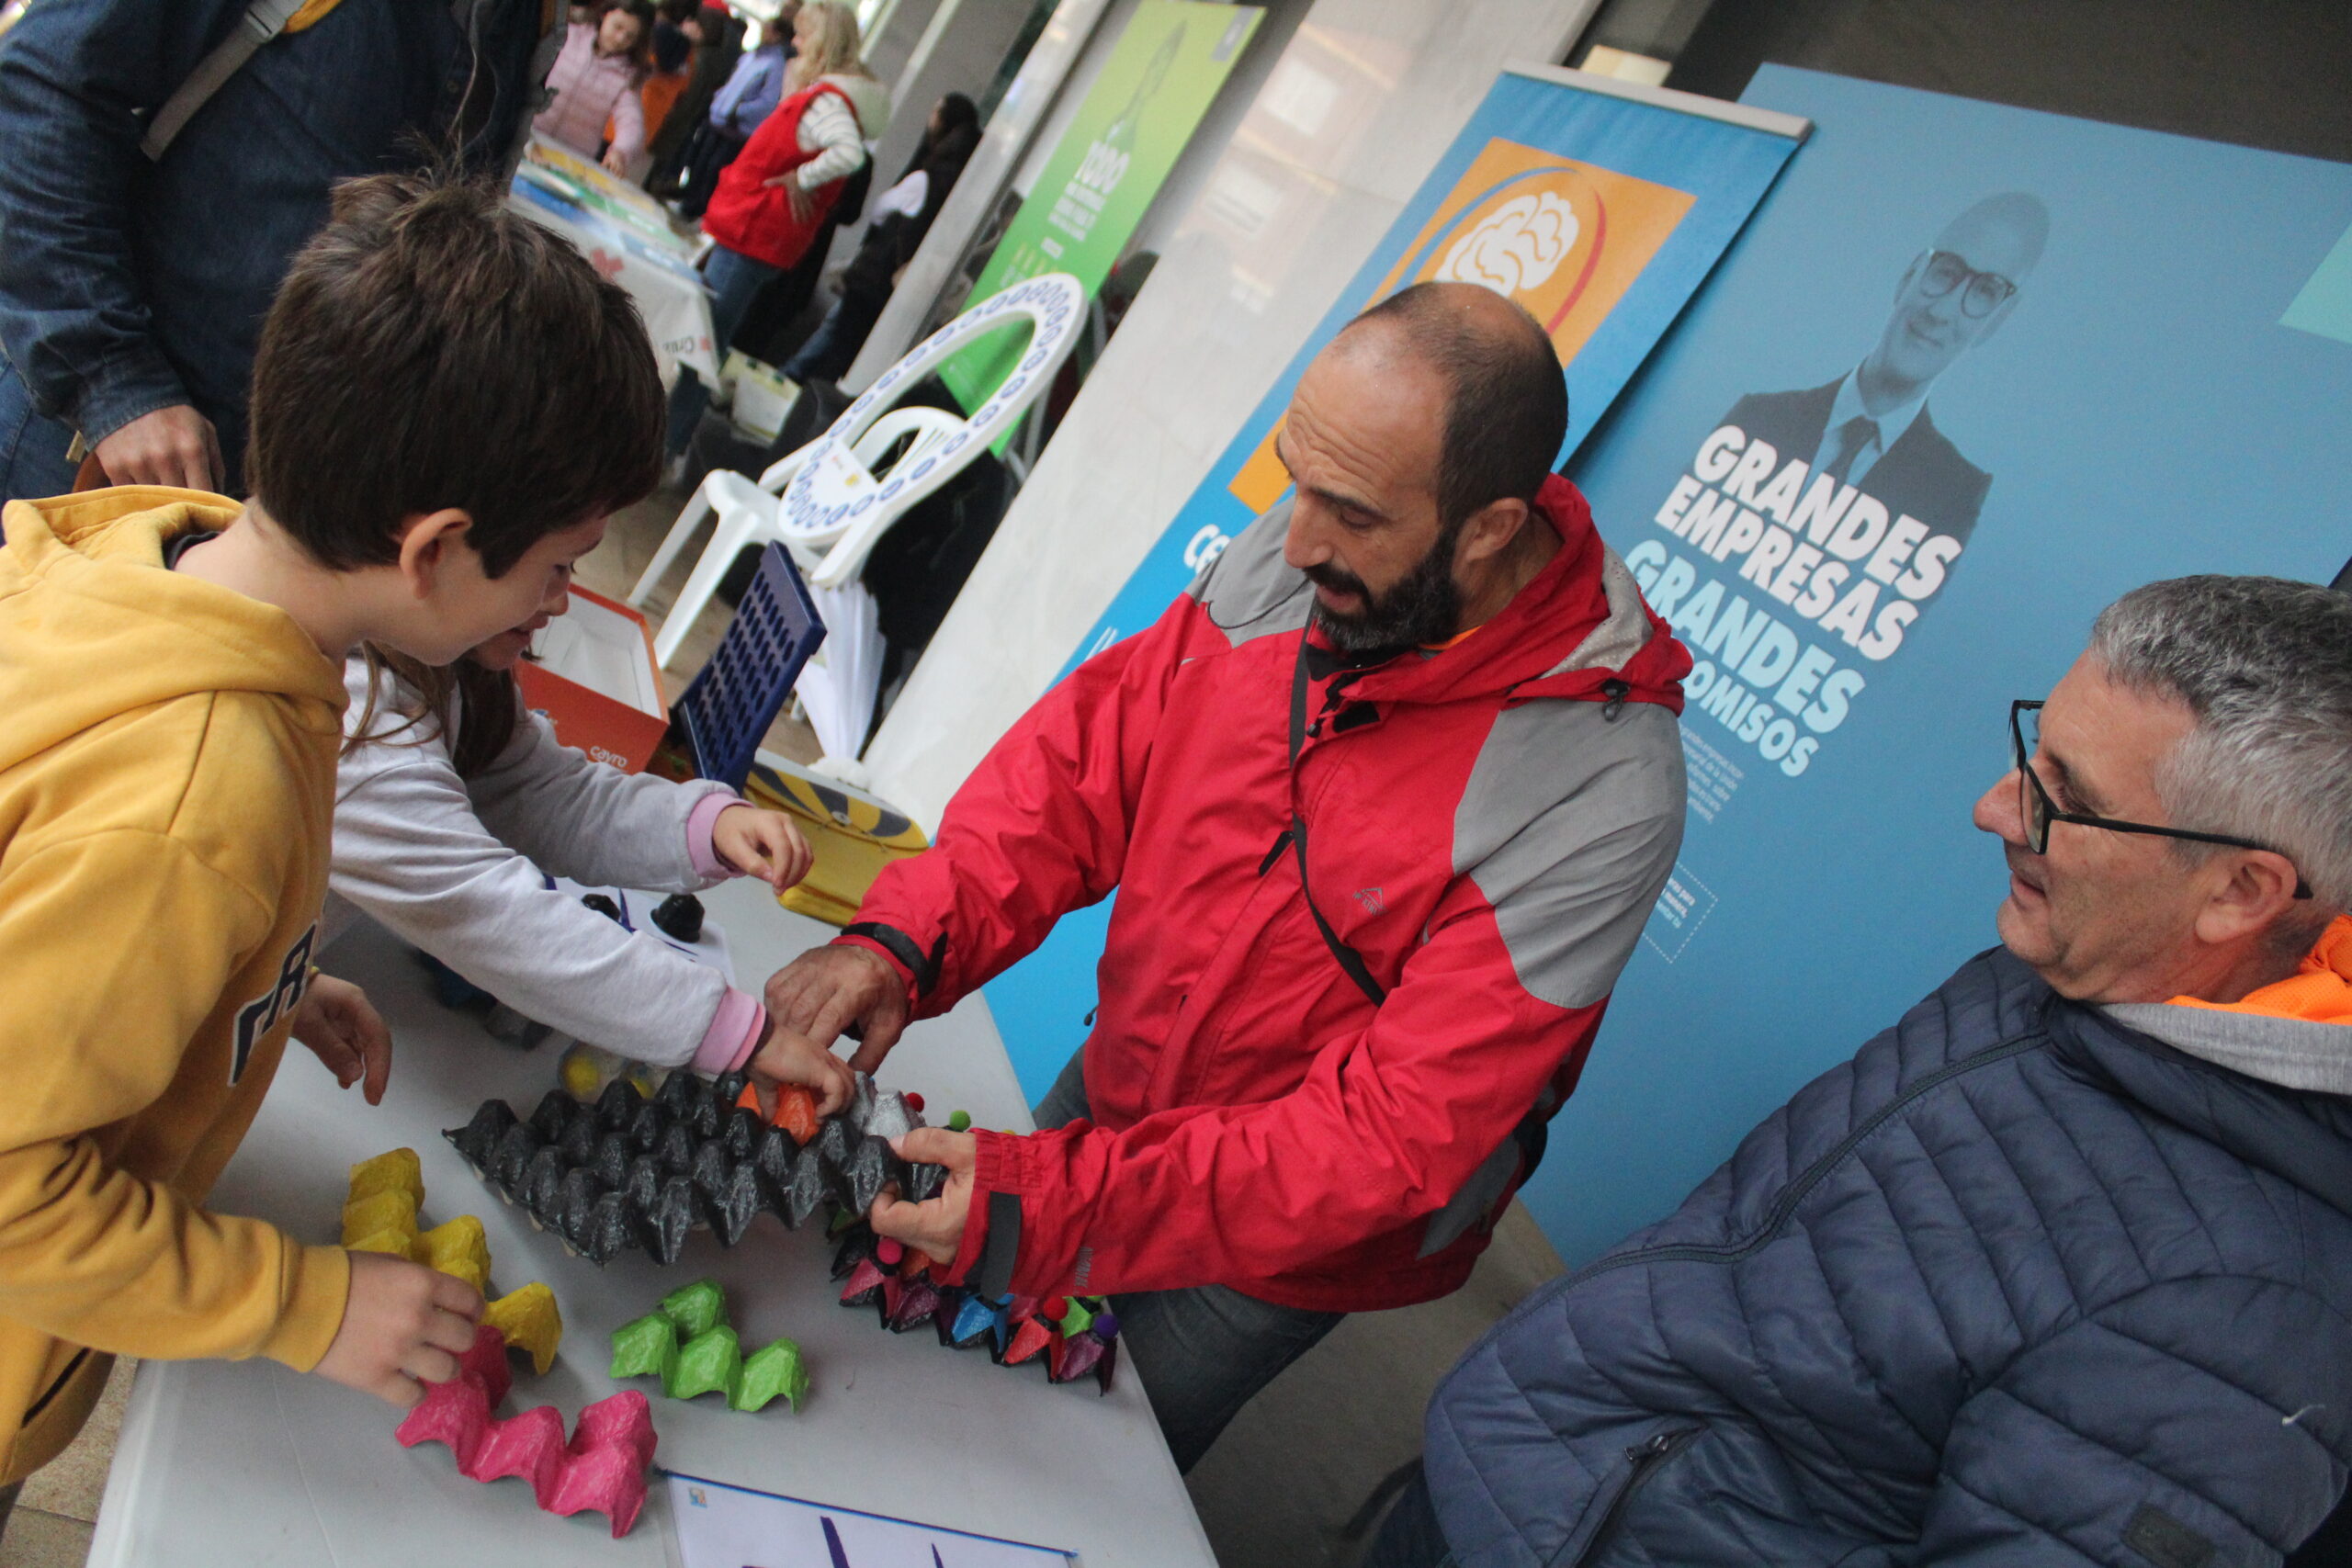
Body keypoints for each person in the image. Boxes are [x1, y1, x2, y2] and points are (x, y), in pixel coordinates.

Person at [762, 282, 1693, 1469]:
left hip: (1281, 1251)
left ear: (1489, 528)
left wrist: (1052, 1206)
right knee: (912, 1372)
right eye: (1295, 476)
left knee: (1082, 1473)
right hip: (1114, 1087)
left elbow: (1389, 1137)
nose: (1297, 541)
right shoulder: (1312, 542)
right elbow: (1085, 768)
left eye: (1349, 512)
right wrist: (900, 941)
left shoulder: (1604, 794)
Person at [1373, 574, 2352, 1567]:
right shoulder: (2083, 969)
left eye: (2069, 800)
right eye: (2033, 752)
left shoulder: (2241, 1328)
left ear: (2240, 891)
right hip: (1518, 1480)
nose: (1993, 810)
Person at [0, 171, 665, 1531]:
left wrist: (252, 986)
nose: (558, 606)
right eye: (555, 569)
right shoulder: (203, 798)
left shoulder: (148, 557)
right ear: (432, 551)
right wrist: (304, 1303)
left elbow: (53, 894)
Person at [0, 0, 554, 502]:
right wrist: (113, 384)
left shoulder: (528, 18)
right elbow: (47, 90)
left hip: (253, 491)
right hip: (87, 437)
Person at [327, 636, 850, 1100]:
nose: (559, 602)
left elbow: (539, 793)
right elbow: (496, 917)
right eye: (553, 566)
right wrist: (739, 1033)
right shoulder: (356, 731)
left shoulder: (455, 667)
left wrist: (702, 825)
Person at [1719, 191, 2051, 556]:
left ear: (1996, 320)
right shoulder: (1758, 416)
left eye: (1985, 292)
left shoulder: (1957, 494)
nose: (1941, 312)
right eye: (1946, 272)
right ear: (1909, 275)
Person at [664, 1, 887, 464]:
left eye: (805, 35)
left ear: (821, 41)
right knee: (709, 334)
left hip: (753, 230)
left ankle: (668, 441)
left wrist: (800, 179)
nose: (797, 43)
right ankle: (668, 437)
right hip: (757, 233)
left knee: (706, 337)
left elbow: (848, 154)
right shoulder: (835, 97)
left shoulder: (828, 99)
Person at [779, 92, 983, 387]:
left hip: (876, 274)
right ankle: (792, 375)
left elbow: (881, 209)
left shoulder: (926, 177)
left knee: (839, 338)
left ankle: (795, 383)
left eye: (936, 111)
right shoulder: (961, 188)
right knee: (845, 336)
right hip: (901, 286)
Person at [673, 3, 797, 220]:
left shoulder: (775, 64)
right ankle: (688, 201)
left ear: (777, 36)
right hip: (718, 120)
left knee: (713, 171)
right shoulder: (752, 56)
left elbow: (767, 102)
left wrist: (736, 111)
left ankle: (698, 210)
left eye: (767, 30)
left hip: (735, 129)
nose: (762, 33)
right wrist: (720, 100)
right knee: (699, 162)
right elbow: (733, 83)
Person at [534, 0, 653, 176]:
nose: (620, 39)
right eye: (617, 27)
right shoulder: (567, 35)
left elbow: (631, 120)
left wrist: (620, 151)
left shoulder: (629, 75)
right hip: (530, 138)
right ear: (605, 14)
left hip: (571, 160)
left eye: (630, 36)